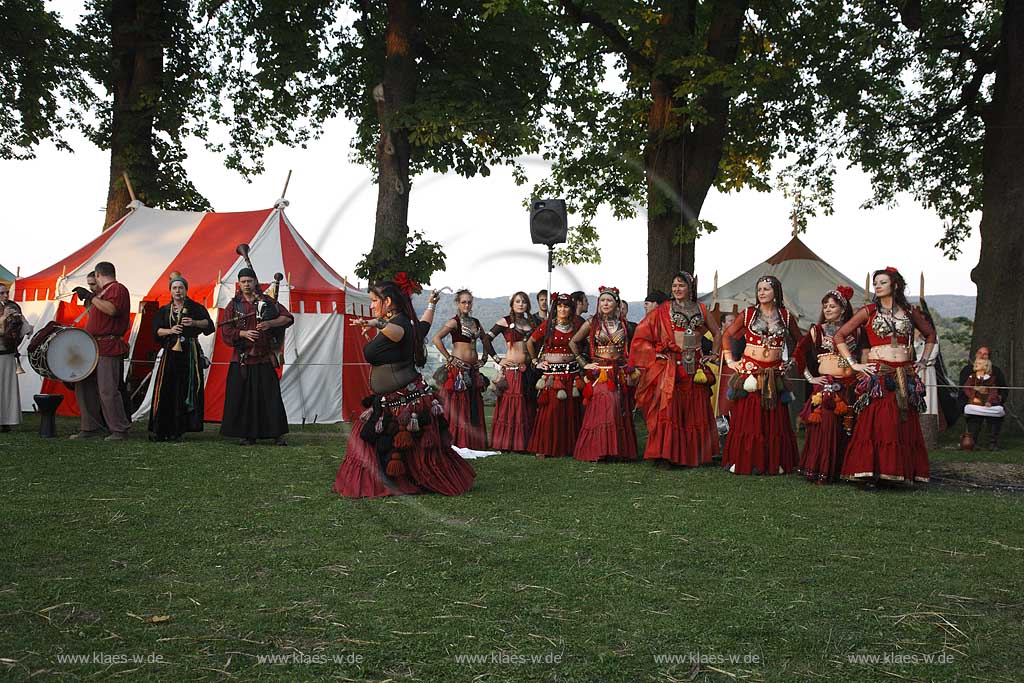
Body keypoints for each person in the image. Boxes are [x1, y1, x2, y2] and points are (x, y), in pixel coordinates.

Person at [334, 278, 475, 498]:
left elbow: (398, 333)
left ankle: (393, 482)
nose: (371, 306)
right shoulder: (408, 324)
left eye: (373, 301)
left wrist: (375, 324)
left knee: (371, 442)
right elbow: (425, 325)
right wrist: (431, 305)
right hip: (395, 397)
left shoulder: (399, 324)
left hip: (404, 400)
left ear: (387, 301)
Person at [833, 267, 936, 484]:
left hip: (905, 372)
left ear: (895, 285)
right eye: (876, 283)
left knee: (901, 421)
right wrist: (855, 365)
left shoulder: (909, 312)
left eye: (882, 282)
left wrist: (923, 361)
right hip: (880, 373)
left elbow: (930, 335)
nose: (877, 286)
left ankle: (900, 471)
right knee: (880, 421)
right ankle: (871, 471)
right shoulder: (869, 311)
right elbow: (840, 335)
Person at [633, 272, 721, 467]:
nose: (677, 289)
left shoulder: (702, 309)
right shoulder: (664, 309)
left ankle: (694, 454)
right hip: (671, 364)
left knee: (694, 408)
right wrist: (654, 353)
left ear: (690, 287)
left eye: (681, 285)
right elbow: (642, 332)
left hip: (696, 364)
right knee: (669, 408)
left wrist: (713, 354)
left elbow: (717, 332)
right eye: (674, 286)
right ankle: (666, 454)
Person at [720, 275, 802, 475]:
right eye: (759, 290)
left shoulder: (786, 316)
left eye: (766, 289)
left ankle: (775, 462)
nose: (762, 293)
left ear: (776, 292)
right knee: (750, 417)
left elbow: (801, 341)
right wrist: (731, 361)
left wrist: (791, 361)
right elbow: (727, 335)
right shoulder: (748, 314)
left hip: (774, 373)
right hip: (750, 373)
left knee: (774, 419)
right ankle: (746, 461)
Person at [219, 267, 294, 445]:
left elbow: (288, 318)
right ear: (239, 284)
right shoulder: (234, 305)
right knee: (244, 399)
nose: (246, 284)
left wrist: (270, 323)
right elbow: (226, 331)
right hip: (243, 359)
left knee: (270, 397)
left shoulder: (267, 301)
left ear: (255, 282)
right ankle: (247, 435)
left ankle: (276, 434)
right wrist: (243, 334)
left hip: (264, 357)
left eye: (249, 281)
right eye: (243, 281)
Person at [794, 286, 861, 484]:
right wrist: (810, 378)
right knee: (827, 426)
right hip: (827, 387)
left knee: (847, 427)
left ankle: (844, 470)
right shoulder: (817, 330)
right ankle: (822, 469)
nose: (828, 310)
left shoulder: (856, 331)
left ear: (843, 308)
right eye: (825, 306)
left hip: (850, 385)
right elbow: (798, 354)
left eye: (832, 306)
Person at [569, 286, 637, 461]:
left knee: (618, 408)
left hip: (619, 372)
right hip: (600, 373)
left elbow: (634, 348)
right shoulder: (591, 323)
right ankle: (599, 451)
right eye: (603, 301)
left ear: (617, 304)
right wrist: (585, 363)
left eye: (609, 300)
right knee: (603, 409)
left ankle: (618, 452)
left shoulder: (625, 325)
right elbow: (573, 342)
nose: (605, 303)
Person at [69, 261, 132, 440]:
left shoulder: (117, 289)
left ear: (98, 274)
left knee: (108, 389)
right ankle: (90, 426)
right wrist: (92, 297)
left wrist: (91, 297)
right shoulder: (101, 293)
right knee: (84, 385)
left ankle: (119, 429)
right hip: (93, 346)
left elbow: (112, 310)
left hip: (109, 345)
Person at [148, 274, 213, 441]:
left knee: (184, 389)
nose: (178, 291)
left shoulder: (195, 307)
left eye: (180, 288)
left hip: (189, 353)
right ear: (170, 291)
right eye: (174, 288)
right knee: (167, 388)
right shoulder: (164, 310)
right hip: (170, 353)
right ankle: (163, 428)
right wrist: (170, 331)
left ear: (186, 290)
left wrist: (194, 323)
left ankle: (180, 429)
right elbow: (156, 331)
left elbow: (209, 324)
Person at [526, 292, 583, 458]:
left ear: (571, 309)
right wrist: (536, 361)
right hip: (552, 376)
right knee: (551, 410)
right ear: (555, 308)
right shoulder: (548, 326)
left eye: (566, 306)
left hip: (571, 376)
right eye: (560, 306)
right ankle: (544, 447)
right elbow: (530, 342)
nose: (563, 309)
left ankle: (566, 448)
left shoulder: (576, 326)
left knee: (570, 411)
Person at [432, 289, 489, 449]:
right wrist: (449, 358)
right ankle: (457, 440)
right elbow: (436, 338)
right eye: (463, 302)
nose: (467, 304)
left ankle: (473, 442)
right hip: (458, 371)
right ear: (458, 303)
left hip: (473, 369)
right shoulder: (454, 322)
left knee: (472, 405)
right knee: (458, 407)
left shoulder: (476, 322)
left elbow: (485, 340)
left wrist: (484, 358)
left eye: (469, 302)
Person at [486, 292, 537, 451]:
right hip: (511, 370)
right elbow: (486, 339)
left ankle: (523, 444)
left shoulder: (532, 323)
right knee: (510, 405)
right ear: (512, 304)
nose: (521, 304)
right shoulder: (505, 321)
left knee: (525, 406)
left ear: (528, 305)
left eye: (524, 302)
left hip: (527, 371)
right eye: (517, 301)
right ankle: (505, 443)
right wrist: (498, 359)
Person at [960, 346, 1007, 450]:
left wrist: (992, 400)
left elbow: (997, 390)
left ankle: (992, 443)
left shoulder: (995, 374)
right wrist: (973, 396)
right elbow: (965, 389)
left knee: (995, 416)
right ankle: (972, 442)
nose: (982, 356)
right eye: (980, 353)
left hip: (990, 403)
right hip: (974, 403)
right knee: (974, 418)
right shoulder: (969, 374)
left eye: (985, 354)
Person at [0, 285, 33, 432]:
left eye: (7, 292)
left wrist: (17, 321)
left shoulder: (13, 306)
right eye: (2, 293)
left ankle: (6, 421)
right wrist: (3, 319)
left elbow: (25, 329)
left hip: (6, 354)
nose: (6, 295)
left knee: (7, 388)